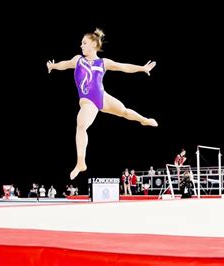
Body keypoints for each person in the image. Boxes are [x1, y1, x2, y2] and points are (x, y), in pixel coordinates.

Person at [47, 28, 158, 180]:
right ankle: (81, 162)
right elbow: (64, 64)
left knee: (124, 111)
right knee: (81, 125)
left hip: (102, 97)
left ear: (93, 44)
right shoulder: (78, 60)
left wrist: (142, 68)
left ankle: (144, 120)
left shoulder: (103, 62)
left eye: (84, 43)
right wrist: (53, 66)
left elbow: (123, 67)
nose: (81, 46)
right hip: (88, 101)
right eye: (81, 43)